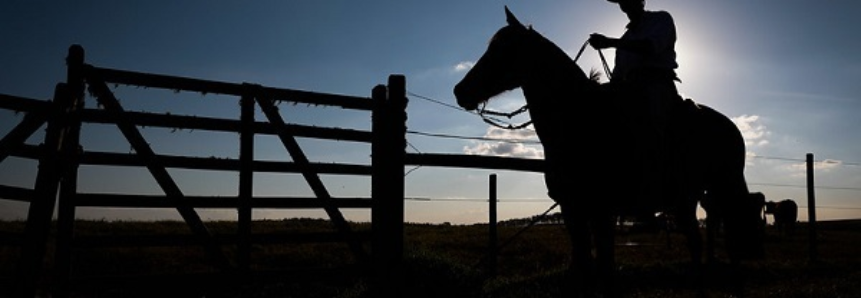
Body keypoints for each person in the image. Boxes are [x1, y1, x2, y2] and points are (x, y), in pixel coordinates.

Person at [589, 0, 682, 204]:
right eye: (623, 0)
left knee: (650, 123)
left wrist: (611, 42)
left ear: (641, 0)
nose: (626, 3)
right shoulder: (625, 39)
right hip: (628, 89)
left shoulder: (661, 19)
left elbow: (651, 47)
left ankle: (657, 181)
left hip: (657, 84)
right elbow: (617, 78)